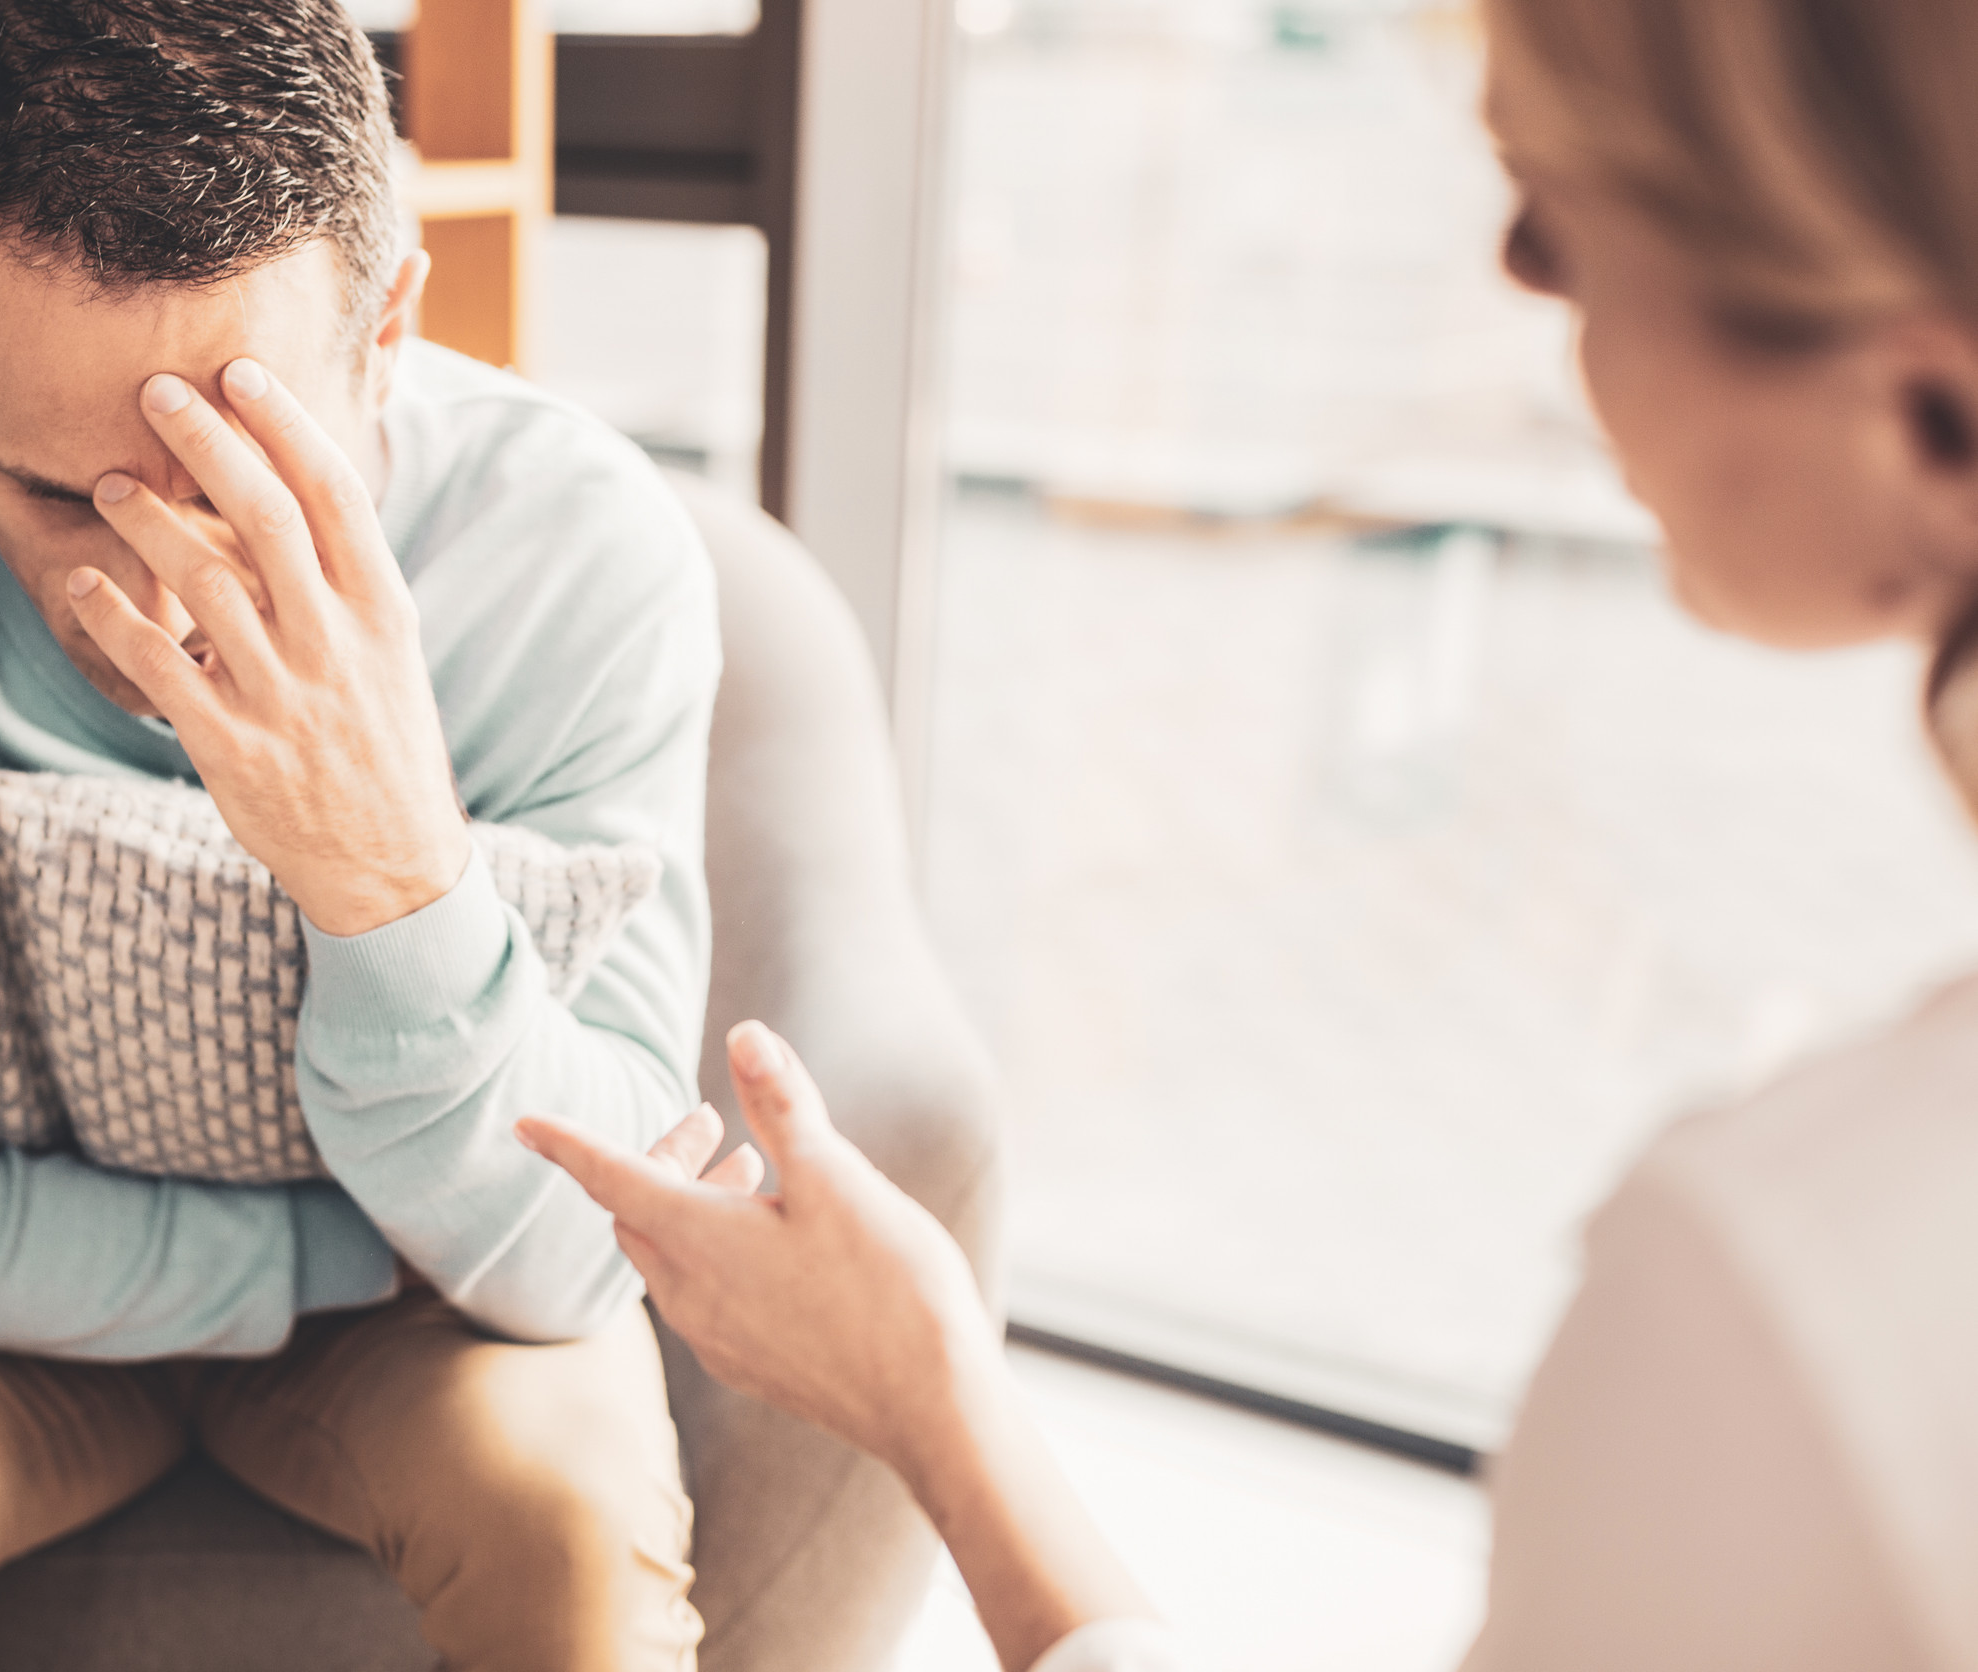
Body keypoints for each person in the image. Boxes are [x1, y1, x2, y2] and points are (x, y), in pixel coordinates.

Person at [518, 0, 1978, 1667]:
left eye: (1565, 208)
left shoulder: (1777, 1314)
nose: (1519, 274)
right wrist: (931, 1396)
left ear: (1924, 410)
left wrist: (931, 1400)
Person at [0, 1, 717, 1666]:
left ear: (390, 324)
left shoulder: (575, 555)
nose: (143, 600)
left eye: (232, 481)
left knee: (565, 1512)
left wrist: (393, 878)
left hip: (416, 1324)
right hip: (41, 1307)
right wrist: (296, 1256)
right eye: (58, 495)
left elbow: (583, 1249)